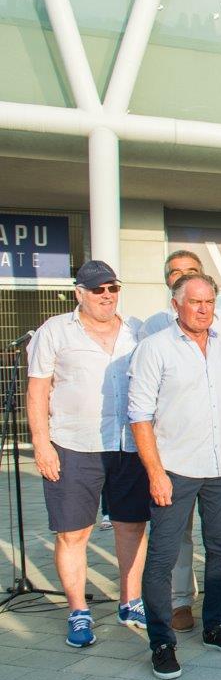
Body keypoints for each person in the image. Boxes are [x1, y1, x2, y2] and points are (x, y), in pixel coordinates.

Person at [130, 274, 221, 679]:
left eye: (209, 302)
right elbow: (140, 417)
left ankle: (215, 626)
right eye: (195, 301)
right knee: (162, 558)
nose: (203, 308)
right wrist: (155, 472)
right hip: (175, 469)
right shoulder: (154, 348)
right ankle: (162, 641)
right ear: (176, 303)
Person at [28, 261, 148, 647]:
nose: (107, 296)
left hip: (127, 446)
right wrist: (42, 444)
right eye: (98, 290)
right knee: (73, 532)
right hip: (73, 445)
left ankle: (131, 601)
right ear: (79, 292)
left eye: (113, 288)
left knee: (132, 526)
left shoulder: (136, 331)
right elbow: (37, 391)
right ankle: (78, 611)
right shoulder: (55, 331)